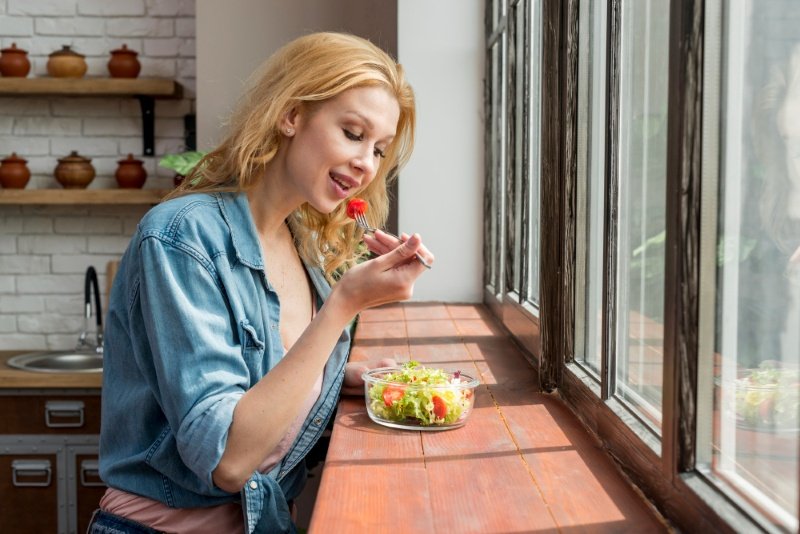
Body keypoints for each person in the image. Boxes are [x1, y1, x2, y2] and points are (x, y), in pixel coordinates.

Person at [88, 32, 433, 534]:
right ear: (292, 115)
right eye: (353, 134)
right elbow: (228, 460)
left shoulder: (305, 248)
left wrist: (341, 380)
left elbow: (267, 393)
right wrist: (344, 306)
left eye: (379, 150)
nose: (366, 164)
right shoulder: (183, 236)